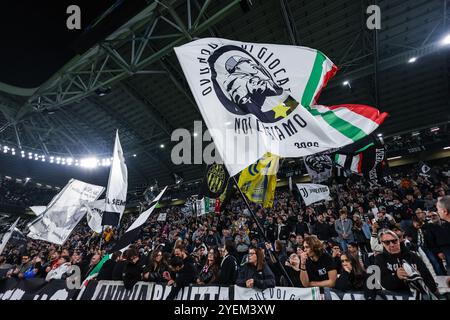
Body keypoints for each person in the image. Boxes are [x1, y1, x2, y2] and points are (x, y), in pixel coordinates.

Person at [375, 229, 438, 295]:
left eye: (394, 241)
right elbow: (384, 283)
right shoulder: (380, 258)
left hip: (421, 295)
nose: (392, 245)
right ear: (382, 243)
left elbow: (428, 277)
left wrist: (419, 277)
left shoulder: (412, 255)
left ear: (399, 241)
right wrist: (396, 277)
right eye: (387, 242)